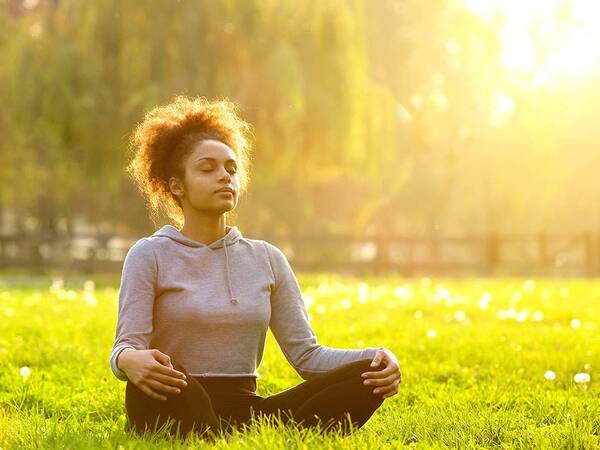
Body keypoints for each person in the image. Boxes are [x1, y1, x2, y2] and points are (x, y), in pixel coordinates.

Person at [109, 95, 402, 441]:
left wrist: (379, 358)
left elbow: (307, 356)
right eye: (208, 168)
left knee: (368, 375)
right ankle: (209, 431)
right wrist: (129, 361)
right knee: (161, 387)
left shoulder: (267, 258)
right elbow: (125, 346)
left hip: (247, 410)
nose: (224, 177)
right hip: (175, 396)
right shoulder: (149, 255)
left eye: (231, 169)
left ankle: (217, 435)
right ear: (176, 185)